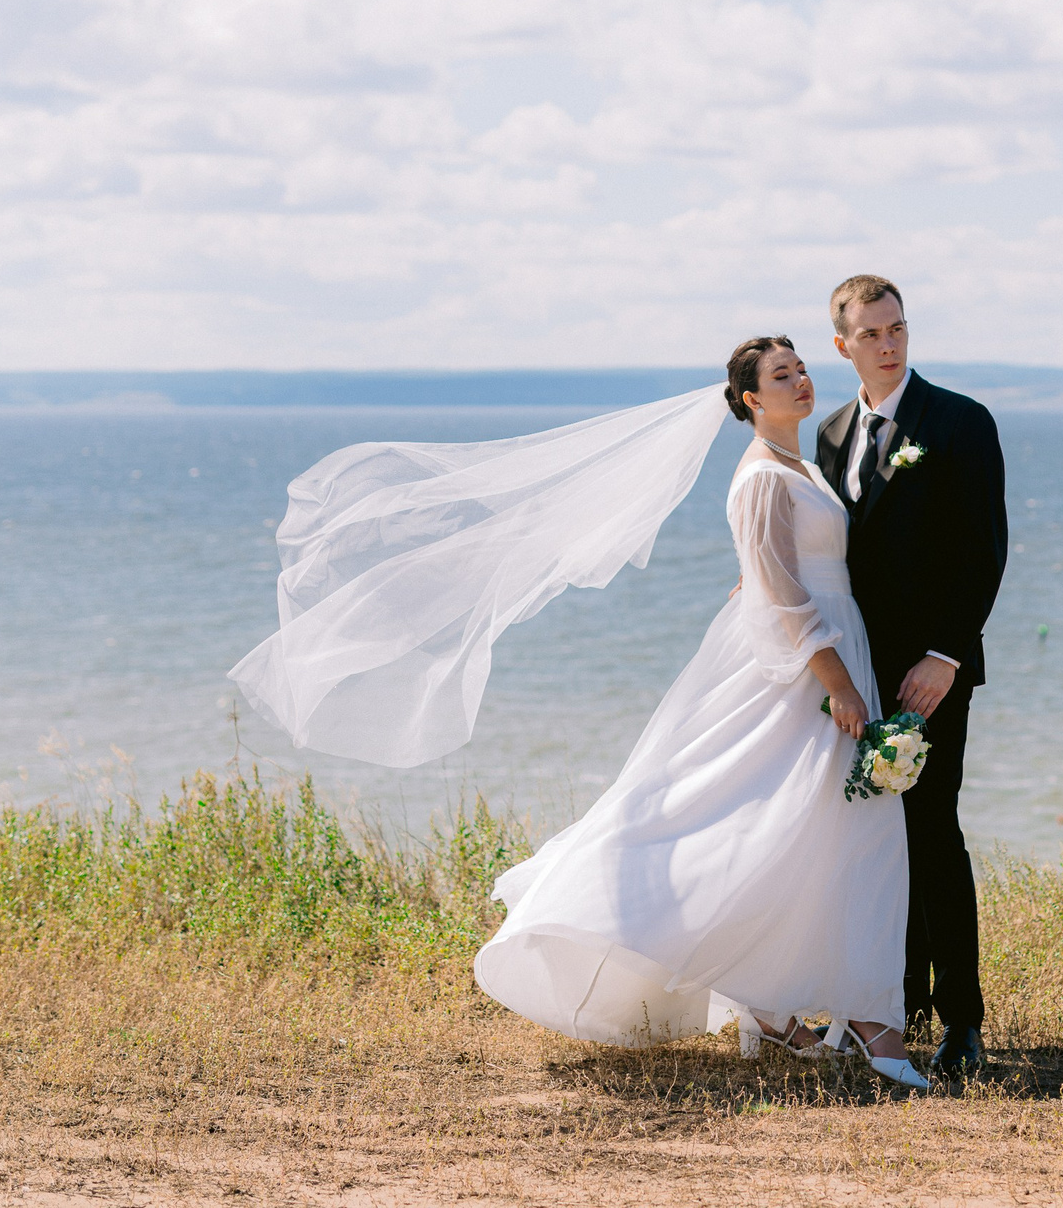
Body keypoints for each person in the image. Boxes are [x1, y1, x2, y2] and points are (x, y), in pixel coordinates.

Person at [227, 335, 928, 1088]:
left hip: (825, 649)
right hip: (800, 667)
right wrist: (838, 683)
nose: (800, 381)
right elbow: (783, 594)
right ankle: (865, 1022)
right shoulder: (760, 475)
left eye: (801, 369)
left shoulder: (803, 467)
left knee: (811, 827)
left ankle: (780, 1006)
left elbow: (775, 568)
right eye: (781, 375)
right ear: (752, 399)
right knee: (783, 818)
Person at [810, 275, 1009, 1078]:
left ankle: (962, 1019)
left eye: (897, 328)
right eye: (871, 333)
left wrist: (946, 655)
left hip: (933, 673)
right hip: (857, 671)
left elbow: (984, 550)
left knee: (931, 833)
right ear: (843, 345)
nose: (888, 344)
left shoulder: (960, 421)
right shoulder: (830, 433)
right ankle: (895, 1001)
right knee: (870, 838)